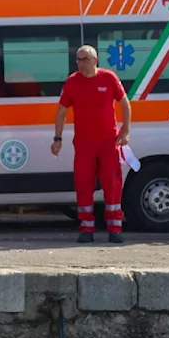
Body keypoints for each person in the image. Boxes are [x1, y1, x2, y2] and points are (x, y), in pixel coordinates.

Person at [53, 45, 131, 244]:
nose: (80, 63)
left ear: (95, 60)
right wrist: (58, 138)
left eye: (84, 59)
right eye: (78, 60)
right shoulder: (72, 82)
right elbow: (62, 110)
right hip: (84, 143)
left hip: (108, 143)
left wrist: (126, 130)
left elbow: (124, 103)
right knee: (83, 185)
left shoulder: (109, 78)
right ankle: (86, 229)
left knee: (112, 185)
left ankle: (115, 228)